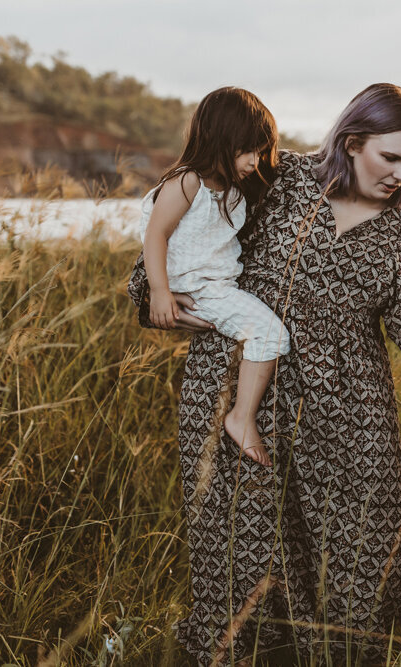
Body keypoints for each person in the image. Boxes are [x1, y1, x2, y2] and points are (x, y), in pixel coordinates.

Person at [128, 83, 401, 665]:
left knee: (366, 555)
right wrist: (161, 298)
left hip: (348, 415)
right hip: (238, 398)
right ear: (351, 143)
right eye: (390, 157)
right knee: (241, 560)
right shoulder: (277, 182)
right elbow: (180, 232)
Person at [140, 86, 289, 468]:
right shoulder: (188, 182)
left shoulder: (236, 190)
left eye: (262, 150)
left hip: (215, 287)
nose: (256, 160)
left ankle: (241, 413)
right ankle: (241, 417)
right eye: (248, 150)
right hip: (201, 288)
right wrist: (160, 292)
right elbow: (156, 234)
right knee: (270, 334)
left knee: (265, 333)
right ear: (219, 141)